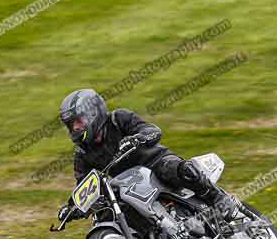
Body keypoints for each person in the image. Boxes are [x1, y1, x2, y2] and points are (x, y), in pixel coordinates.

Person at [56, 89, 236, 223]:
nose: (75, 129)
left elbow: (152, 131)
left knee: (176, 169)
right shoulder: (82, 154)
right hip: (129, 184)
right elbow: (85, 186)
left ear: (93, 112)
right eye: (71, 126)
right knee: (107, 213)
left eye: (78, 122)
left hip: (155, 163)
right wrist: (73, 207)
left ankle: (218, 198)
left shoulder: (119, 119)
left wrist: (137, 138)